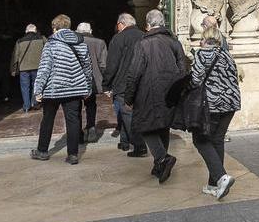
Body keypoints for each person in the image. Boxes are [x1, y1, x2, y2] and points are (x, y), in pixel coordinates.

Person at [122, 9, 186, 183]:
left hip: (147, 93)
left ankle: (162, 158)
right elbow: (182, 69)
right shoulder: (175, 42)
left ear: (148, 25)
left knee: (146, 126)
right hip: (169, 92)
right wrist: (177, 90)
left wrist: (128, 97)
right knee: (162, 126)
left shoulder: (143, 44)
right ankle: (159, 165)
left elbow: (134, 73)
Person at [31, 15, 93, 165]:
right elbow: (87, 68)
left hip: (54, 89)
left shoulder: (51, 44)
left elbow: (45, 69)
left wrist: (38, 90)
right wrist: (87, 88)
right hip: (75, 89)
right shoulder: (80, 43)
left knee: (47, 120)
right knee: (73, 120)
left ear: (54, 27)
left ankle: (42, 151)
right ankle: (72, 155)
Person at [190, 25, 240, 199]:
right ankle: (214, 185)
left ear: (205, 39)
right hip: (231, 103)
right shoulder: (227, 54)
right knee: (217, 140)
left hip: (211, 105)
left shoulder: (202, 55)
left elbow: (195, 80)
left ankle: (221, 176)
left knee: (200, 140)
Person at [104, 13, 145, 156]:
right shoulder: (144, 36)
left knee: (126, 113)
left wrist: (106, 84)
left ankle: (139, 145)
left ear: (121, 24)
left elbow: (112, 64)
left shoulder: (118, 38)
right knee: (128, 112)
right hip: (141, 81)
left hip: (123, 82)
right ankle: (125, 141)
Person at [76, 22, 108, 143]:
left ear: (77, 31)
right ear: (91, 30)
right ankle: (91, 127)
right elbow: (103, 64)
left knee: (76, 106)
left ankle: (78, 132)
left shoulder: (74, 42)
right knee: (91, 104)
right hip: (93, 79)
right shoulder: (100, 42)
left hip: (76, 79)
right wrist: (106, 82)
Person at [10, 24, 46, 113]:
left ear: (26, 31)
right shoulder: (42, 39)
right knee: (36, 85)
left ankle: (26, 106)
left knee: (25, 87)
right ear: (35, 30)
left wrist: (13, 69)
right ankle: (34, 103)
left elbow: (15, 56)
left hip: (24, 68)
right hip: (38, 66)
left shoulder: (19, 41)